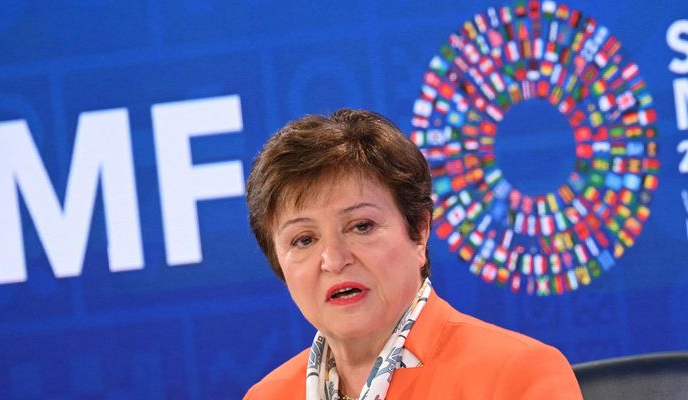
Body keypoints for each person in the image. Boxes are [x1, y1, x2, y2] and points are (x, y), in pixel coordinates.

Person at [243, 109, 582, 399]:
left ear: (419, 231)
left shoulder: (515, 376)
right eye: (303, 240)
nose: (334, 259)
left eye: (361, 226)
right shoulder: (267, 395)